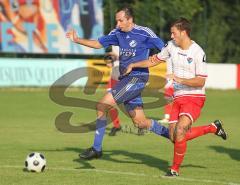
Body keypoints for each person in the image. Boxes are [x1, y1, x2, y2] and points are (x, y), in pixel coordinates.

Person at [124, 17, 227, 176]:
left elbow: (200, 81)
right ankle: (212, 128)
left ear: (183, 32)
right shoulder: (171, 46)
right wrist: (133, 64)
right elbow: (154, 60)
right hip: (178, 98)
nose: (171, 36)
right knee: (175, 136)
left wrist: (180, 79)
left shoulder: (198, 52)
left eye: (174, 33)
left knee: (180, 131)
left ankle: (174, 170)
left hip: (194, 97)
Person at [66, 6, 169, 160]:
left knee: (102, 106)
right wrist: (77, 39)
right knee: (140, 122)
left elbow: (166, 51)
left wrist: (145, 63)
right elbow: (98, 44)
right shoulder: (117, 33)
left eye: (121, 20)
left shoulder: (144, 33)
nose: (118, 24)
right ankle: (173, 135)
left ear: (130, 19)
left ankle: (96, 148)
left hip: (137, 78)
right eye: (117, 21)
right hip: (125, 80)